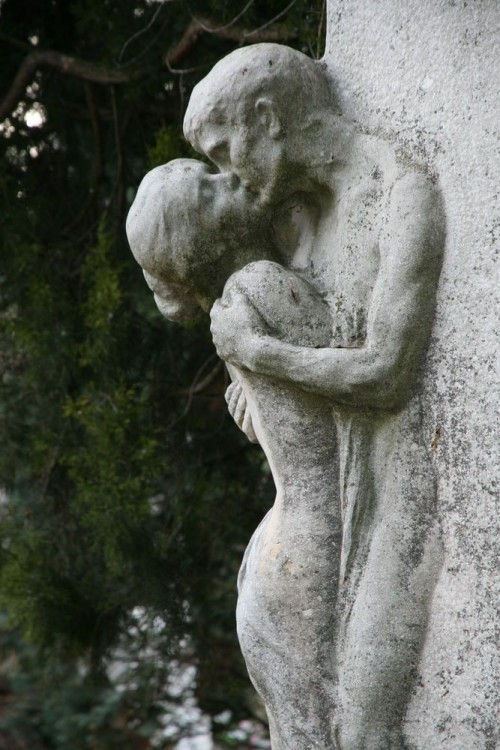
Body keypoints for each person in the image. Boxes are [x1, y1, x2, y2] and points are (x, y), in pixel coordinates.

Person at [184, 43, 446, 749]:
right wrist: (263, 402)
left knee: (364, 726)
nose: (225, 174)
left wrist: (261, 354)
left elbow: (388, 372)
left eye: (222, 149)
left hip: (399, 496)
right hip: (334, 494)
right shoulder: (302, 225)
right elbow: (309, 385)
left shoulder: (401, 193)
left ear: (267, 118)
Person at [126, 159, 346, 747]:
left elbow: (287, 424)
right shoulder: (261, 285)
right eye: (209, 182)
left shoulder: (229, 310)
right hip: (321, 540)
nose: (231, 177)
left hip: (283, 546)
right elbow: (347, 362)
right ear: (200, 237)